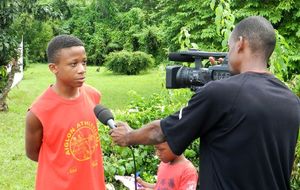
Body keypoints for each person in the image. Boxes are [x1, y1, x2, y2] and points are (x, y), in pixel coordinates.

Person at [110, 16, 300, 190]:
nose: (228, 54)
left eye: (229, 47)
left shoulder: (220, 93)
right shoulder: (291, 100)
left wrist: (128, 136)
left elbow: (160, 132)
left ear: (240, 44)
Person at [25, 35, 106, 190]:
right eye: (73, 64)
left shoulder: (93, 95)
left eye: (84, 62)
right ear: (53, 68)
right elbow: (33, 153)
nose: (82, 69)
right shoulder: (38, 112)